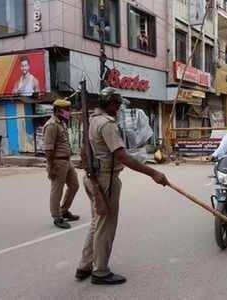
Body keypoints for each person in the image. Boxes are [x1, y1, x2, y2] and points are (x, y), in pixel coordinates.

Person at [76, 87, 169, 285]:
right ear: (108, 103)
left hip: (93, 177)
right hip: (105, 179)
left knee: (96, 223)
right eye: (116, 103)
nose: (118, 107)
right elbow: (122, 156)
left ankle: (85, 265)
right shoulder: (107, 124)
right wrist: (154, 173)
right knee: (105, 226)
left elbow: (85, 151)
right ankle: (100, 271)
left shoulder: (92, 120)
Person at [43, 99, 80, 230]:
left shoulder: (61, 123)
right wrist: (50, 166)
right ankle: (57, 216)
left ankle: (64, 210)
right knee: (57, 190)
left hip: (66, 160)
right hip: (57, 161)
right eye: (67, 110)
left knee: (74, 185)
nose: (69, 112)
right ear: (59, 110)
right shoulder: (52, 125)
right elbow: (48, 149)